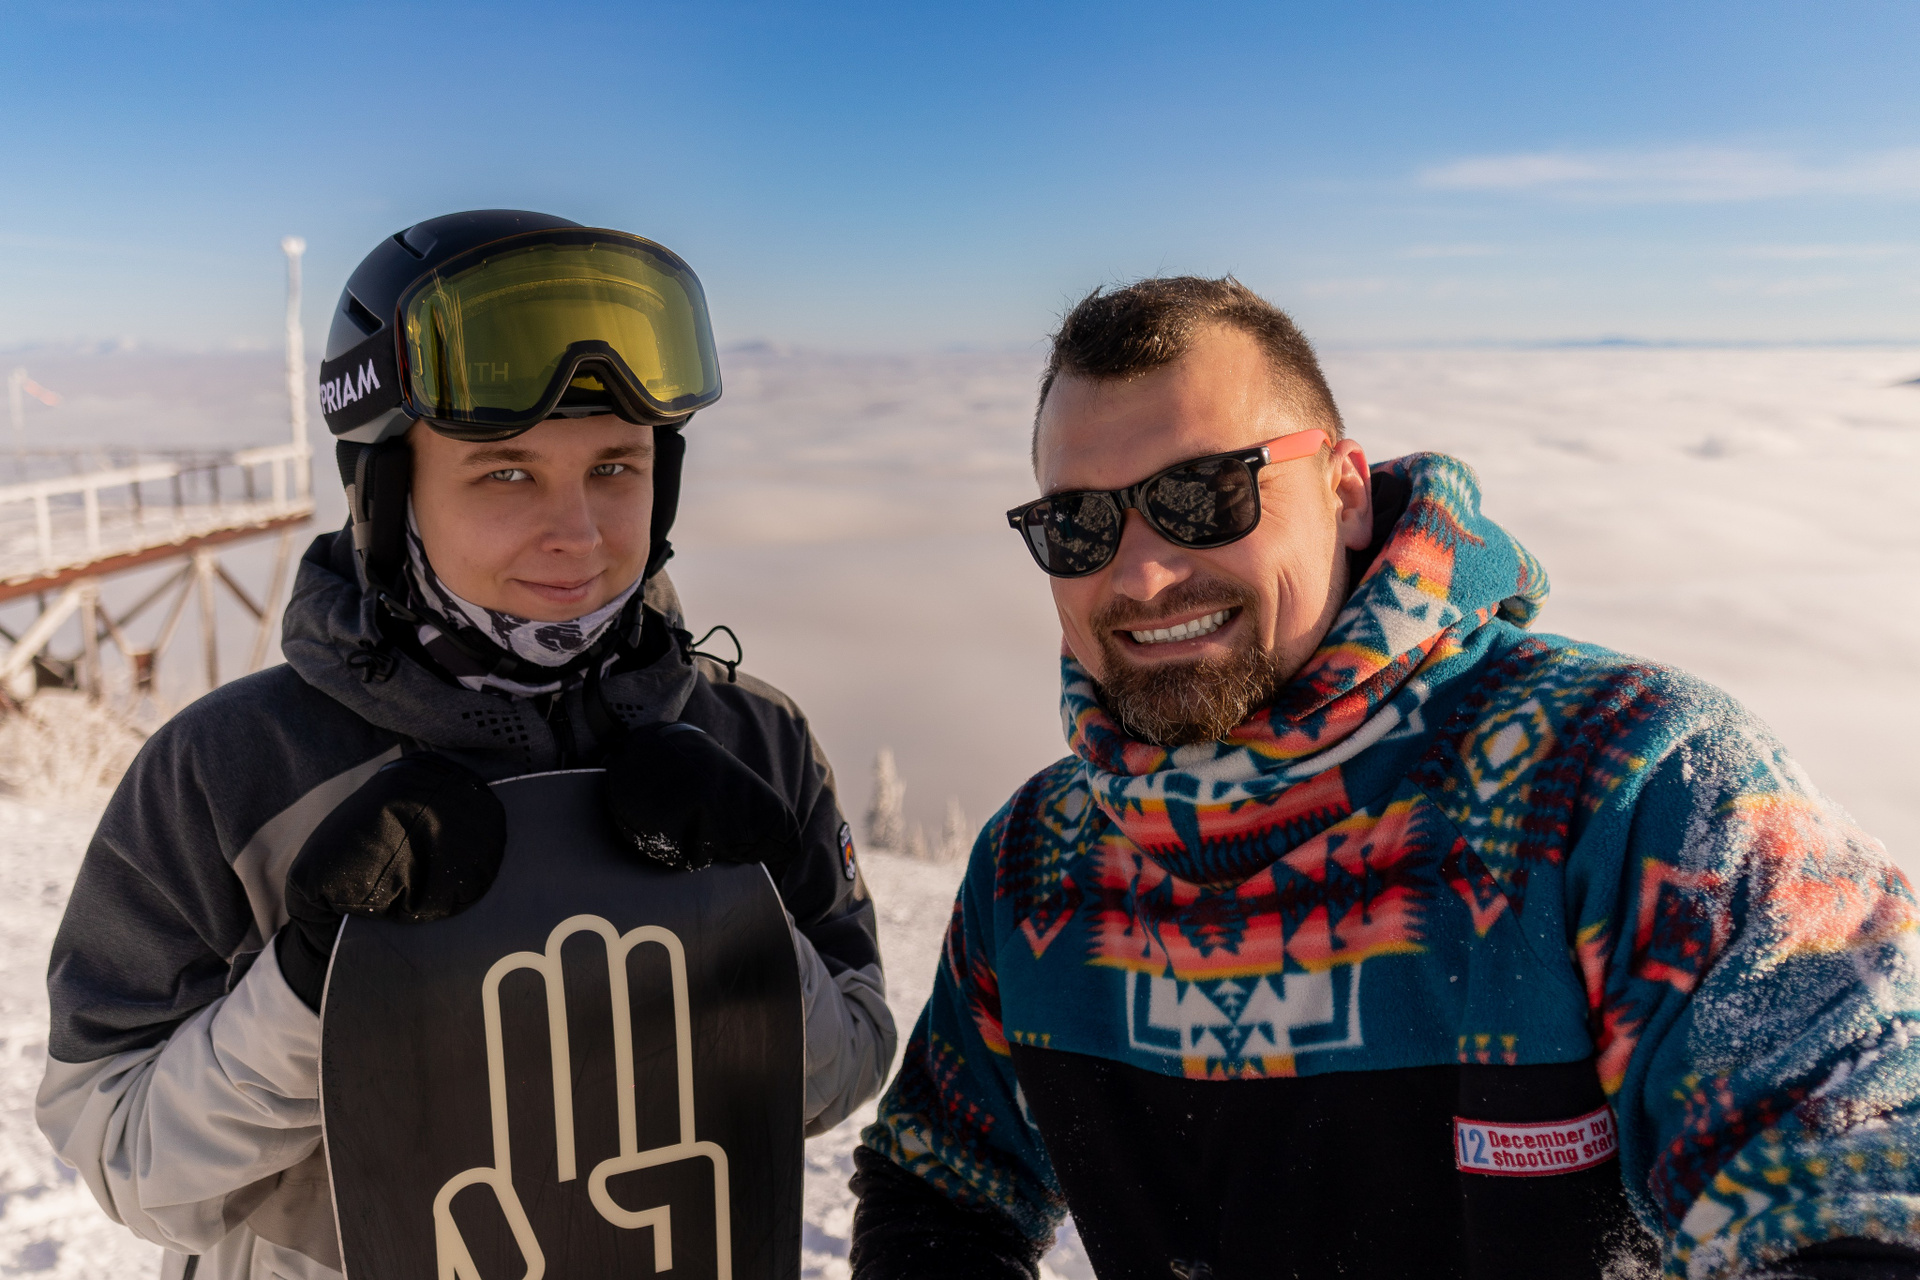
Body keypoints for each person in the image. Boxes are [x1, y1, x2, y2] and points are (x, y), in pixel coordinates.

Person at [850, 276, 1920, 1280]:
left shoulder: (1628, 782)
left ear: (1347, 493)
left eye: (1203, 494)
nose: (1142, 572)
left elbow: (1865, 1193)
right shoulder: (1039, 861)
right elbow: (938, 1186)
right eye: (1078, 524)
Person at [37, 210, 895, 1280]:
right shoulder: (229, 770)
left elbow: (849, 1063)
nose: (580, 534)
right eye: (506, 473)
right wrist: (310, 986)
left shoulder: (750, 738)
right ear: (387, 491)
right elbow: (126, 1159)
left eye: (617, 466)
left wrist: (749, 935)